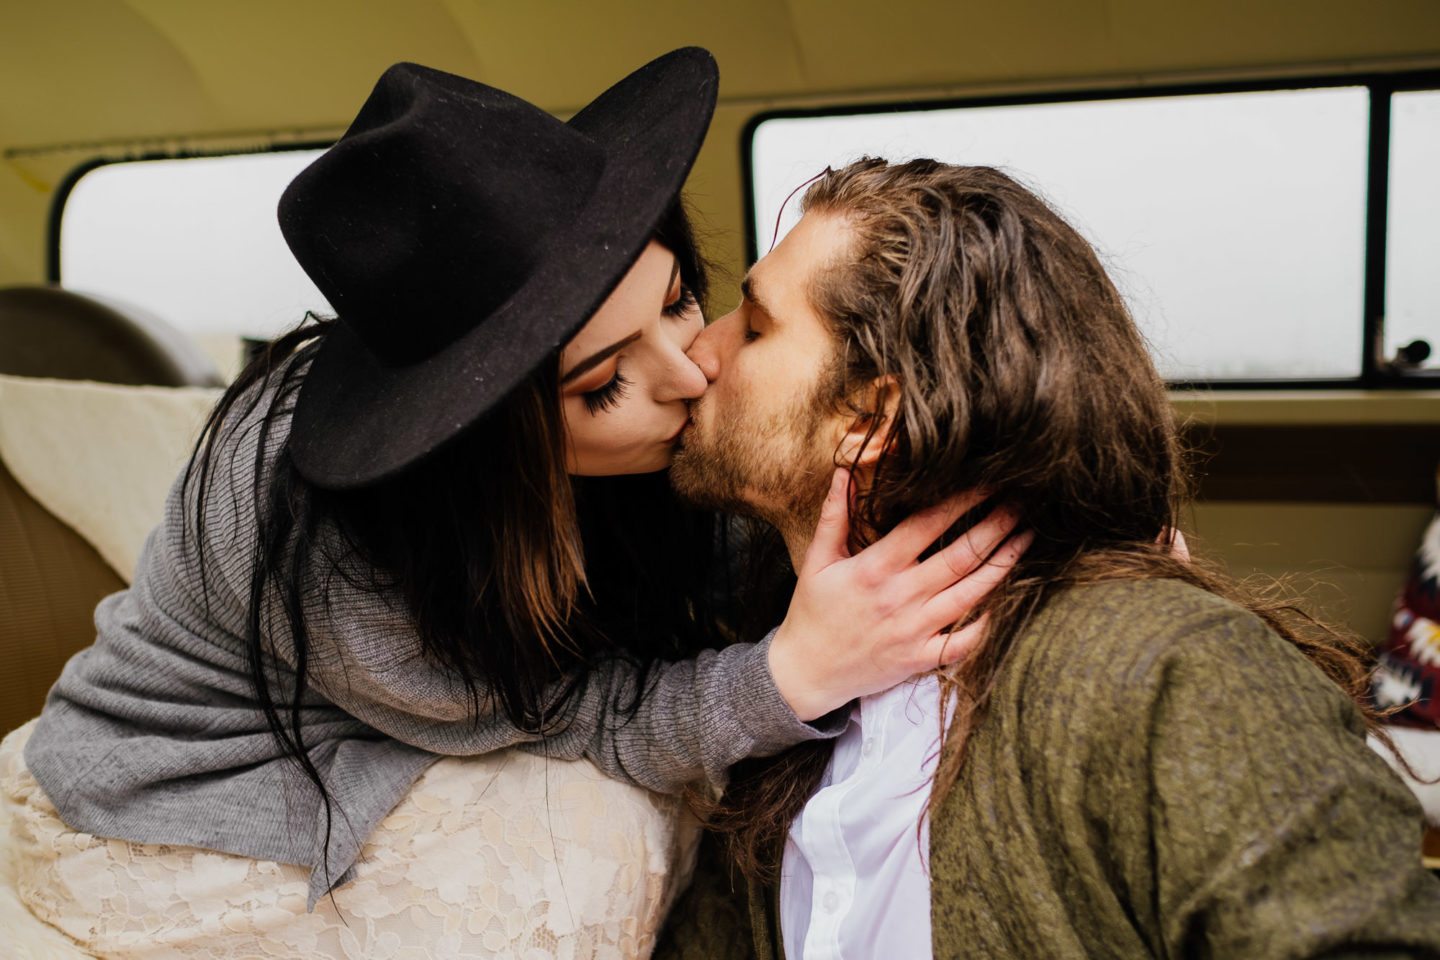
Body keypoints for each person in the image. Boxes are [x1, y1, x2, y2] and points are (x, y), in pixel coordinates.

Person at [1, 56, 1019, 956]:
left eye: (677, 300)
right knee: (602, 838)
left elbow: (713, 569)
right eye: (604, 385)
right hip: (204, 791)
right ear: (480, 438)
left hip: (413, 715)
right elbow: (581, 714)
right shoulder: (341, 556)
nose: (692, 373)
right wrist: (788, 674)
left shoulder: (634, 426)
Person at [659, 157, 1440, 958]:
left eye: (754, 328)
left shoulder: (1166, 670)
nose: (699, 356)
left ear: (871, 413)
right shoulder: (779, 689)